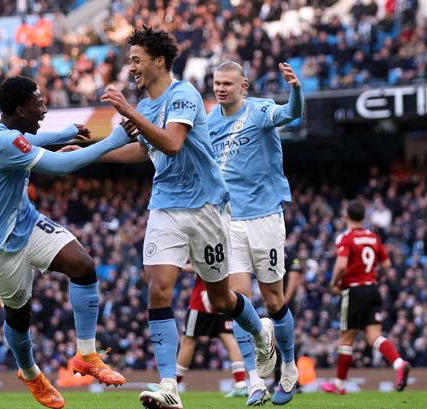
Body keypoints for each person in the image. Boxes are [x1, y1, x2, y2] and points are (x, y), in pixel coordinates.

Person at [99, 26, 273, 409]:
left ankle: (261, 333)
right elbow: (146, 151)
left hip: (206, 207)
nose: (132, 68)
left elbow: (173, 144)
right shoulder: (145, 107)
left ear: (159, 61)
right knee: (158, 287)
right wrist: (92, 151)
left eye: (137, 60)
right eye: (130, 61)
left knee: (223, 300)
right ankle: (169, 386)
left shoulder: (184, 94)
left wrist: (127, 111)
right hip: (165, 205)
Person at [0, 75, 138, 409]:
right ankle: (30, 372)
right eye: (39, 103)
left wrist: (67, 132)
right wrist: (114, 139)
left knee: (83, 266)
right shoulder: (3, 142)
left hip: (25, 221)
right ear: (21, 110)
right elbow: (61, 165)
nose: (44, 109)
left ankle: (86, 355)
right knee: (19, 316)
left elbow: (32, 139)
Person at [207, 60, 304, 405]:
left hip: (265, 218)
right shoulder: (208, 123)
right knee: (237, 302)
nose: (221, 88)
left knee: (274, 301)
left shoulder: (260, 111)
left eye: (227, 83)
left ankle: (288, 366)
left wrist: (295, 90)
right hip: (229, 221)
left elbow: (291, 114)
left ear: (243, 86)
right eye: (217, 83)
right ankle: (255, 381)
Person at [321, 200, 411, 395]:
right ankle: (399, 363)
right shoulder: (373, 237)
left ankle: (339, 385)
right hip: (373, 289)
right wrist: (373, 277)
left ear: (346, 215)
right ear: (363, 217)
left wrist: (334, 283)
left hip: (354, 291)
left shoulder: (346, 238)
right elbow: (387, 266)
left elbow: (341, 265)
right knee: (374, 336)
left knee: (346, 339)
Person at [176, 271, 248, 398]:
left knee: (188, 340)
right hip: (225, 297)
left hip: (202, 300)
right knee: (229, 339)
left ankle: (172, 385)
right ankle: (240, 383)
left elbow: (195, 264)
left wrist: (180, 266)